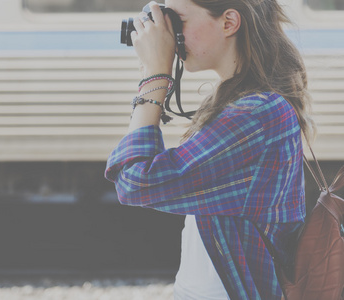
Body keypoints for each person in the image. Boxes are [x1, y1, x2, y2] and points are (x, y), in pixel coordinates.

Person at [105, 0, 315, 299]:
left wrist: (154, 76)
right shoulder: (243, 103)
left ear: (229, 23)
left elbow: (135, 182)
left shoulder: (256, 114)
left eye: (178, 21)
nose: (170, 34)